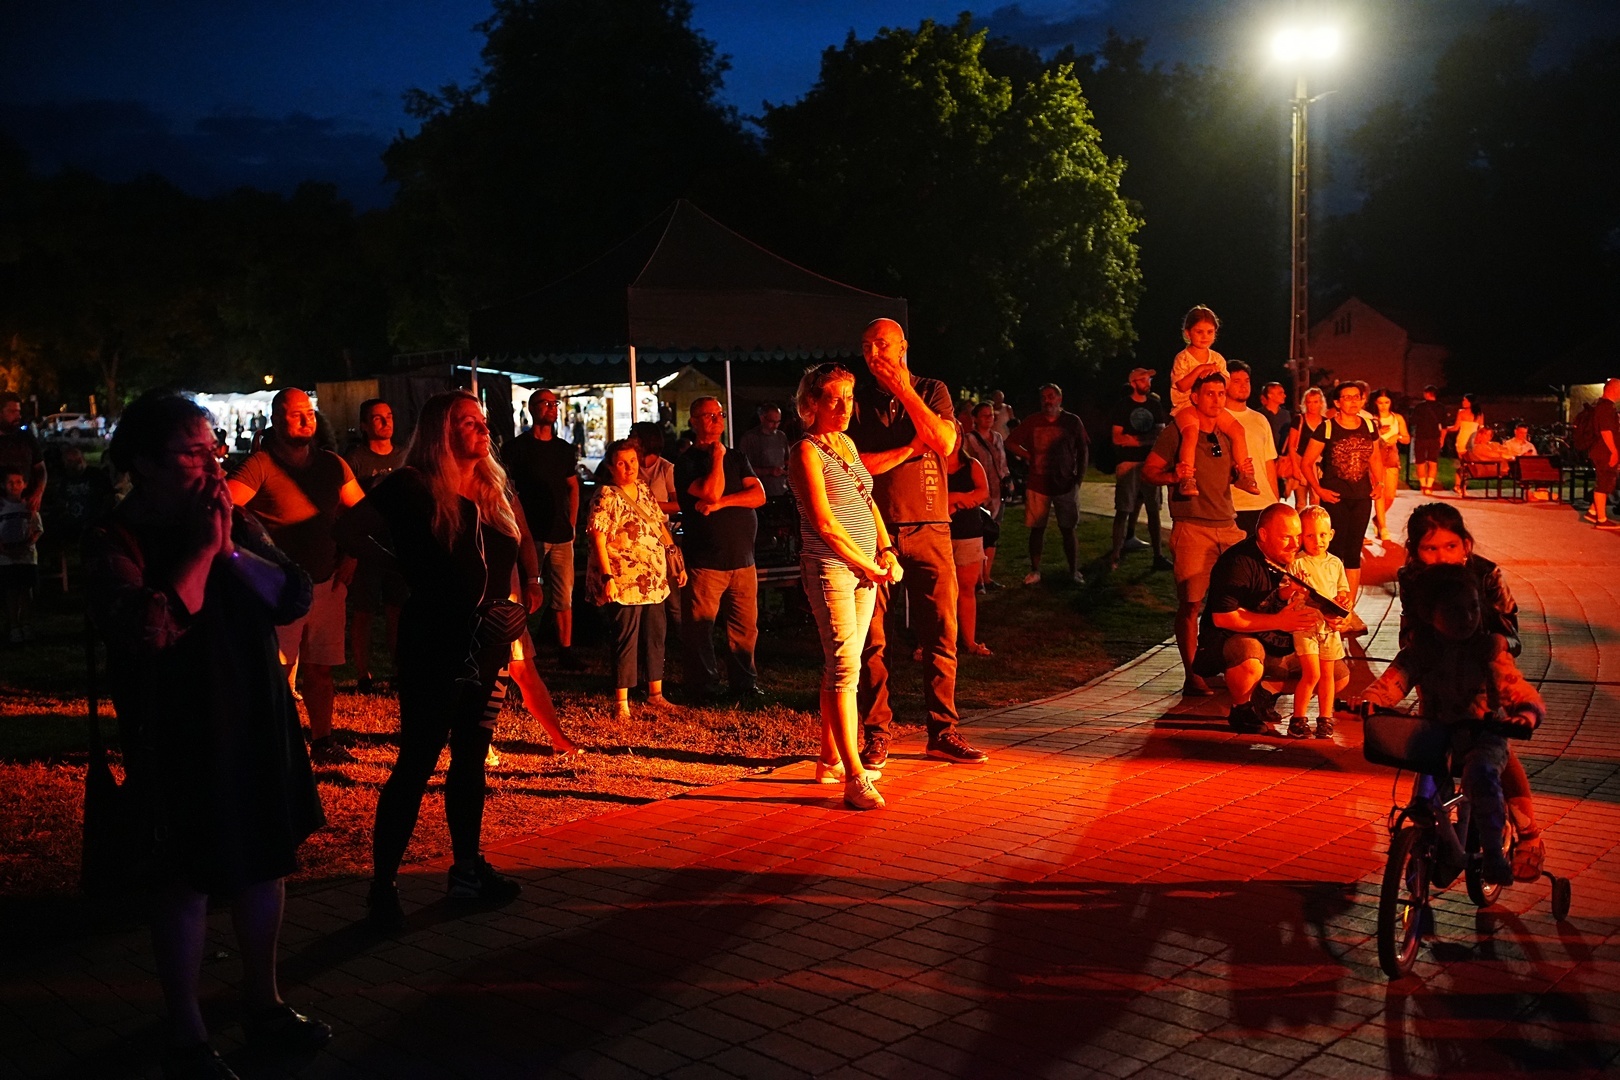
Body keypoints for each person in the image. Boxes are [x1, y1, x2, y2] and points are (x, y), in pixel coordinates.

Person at [86, 392, 328, 1079]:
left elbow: (294, 592)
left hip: (254, 712)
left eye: (212, 448)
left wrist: (231, 552)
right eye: (193, 453)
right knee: (183, 880)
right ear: (145, 462)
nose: (212, 464)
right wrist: (201, 553)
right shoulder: (117, 538)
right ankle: (187, 1035)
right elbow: (150, 629)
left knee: (265, 862)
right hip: (176, 729)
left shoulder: (233, 518)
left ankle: (264, 1002)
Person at [336, 391, 528, 930]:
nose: (482, 429)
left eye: (482, 421)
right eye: (468, 422)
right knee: (418, 760)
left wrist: (518, 605)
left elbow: (507, 557)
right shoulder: (411, 486)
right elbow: (347, 530)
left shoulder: (491, 488)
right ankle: (382, 888)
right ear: (441, 431)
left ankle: (467, 870)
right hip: (434, 643)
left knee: (471, 757)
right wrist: (402, 564)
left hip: (486, 646)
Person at [848, 318, 989, 767]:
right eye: (866, 346)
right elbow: (856, 465)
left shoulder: (931, 390)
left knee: (942, 632)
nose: (874, 354)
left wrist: (903, 389)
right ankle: (877, 733)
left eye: (881, 344)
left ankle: (943, 731)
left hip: (931, 526)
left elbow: (944, 441)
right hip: (875, 530)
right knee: (873, 639)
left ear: (903, 347)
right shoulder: (856, 399)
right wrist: (910, 449)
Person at [1362, 563, 1544, 886]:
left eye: (1473, 607)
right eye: (1454, 610)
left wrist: (1525, 713)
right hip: (1437, 733)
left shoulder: (1488, 650)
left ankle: (1493, 854)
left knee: (1481, 776)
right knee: (1425, 787)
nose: (1467, 617)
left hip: (1483, 734)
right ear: (1430, 615)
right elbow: (1395, 680)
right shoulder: (1423, 650)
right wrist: (1370, 700)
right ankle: (1426, 846)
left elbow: (1515, 687)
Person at [1397, 501, 1545, 881]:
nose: (1441, 556)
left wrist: (1493, 650)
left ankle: (1528, 833)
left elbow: (1510, 627)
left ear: (1465, 543)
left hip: (1484, 672)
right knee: (1432, 748)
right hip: (1437, 671)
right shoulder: (1411, 578)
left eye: (1450, 546)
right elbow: (1410, 626)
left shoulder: (1486, 573)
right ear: (1414, 550)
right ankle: (1432, 838)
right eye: (1430, 548)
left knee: (1493, 745)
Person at [228, 388, 365, 765]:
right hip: (280, 589)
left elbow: (361, 512)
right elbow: (224, 507)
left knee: (320, 669)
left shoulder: (333, 465)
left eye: (310, 412)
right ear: (276, 420)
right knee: (276, 671)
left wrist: (352, 554)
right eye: (295, 414)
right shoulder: (260, 465)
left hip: (326, 582)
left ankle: (322, 741)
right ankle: (272, 747)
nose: (306, 420)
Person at [788, 362, 900, 810]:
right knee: (843, 667)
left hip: (863, 569)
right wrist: (865, 563)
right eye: (833, 399)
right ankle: (855, 776)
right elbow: (825, 524)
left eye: (849, 398)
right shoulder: (805, 452)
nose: (843, 407)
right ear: (811, 404)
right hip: (830, 568)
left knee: (843, 664)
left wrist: (885, 549)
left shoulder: (847, 445)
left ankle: (829, 759)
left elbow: (867, 501)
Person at [1192, 503, 1350, 734]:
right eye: (1286, 537)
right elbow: (1223, 618)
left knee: (1338, 676)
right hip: (1238, 638)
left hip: (1283, 640)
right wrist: (1279, 621)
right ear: (1264, 535)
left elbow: (1328, 596)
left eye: (1298, 536)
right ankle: (1241, 708)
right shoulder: (1238, 563)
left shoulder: (1301, 559)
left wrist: (1338, 617)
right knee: (1249, 657)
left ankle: (1266, 690)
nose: (1295, 544)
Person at [1140, 371, 1248, 697]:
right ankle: (1193, 675)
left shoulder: (1226, 433)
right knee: (1191, 604)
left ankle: (1228, 665)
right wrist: (1174, 477)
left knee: (1237, 602)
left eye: (1220, 393)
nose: (1216, 399)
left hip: (1227, 525)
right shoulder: (1177, 432)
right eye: (1209, 393)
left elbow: (1229, 477)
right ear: (1196, 397)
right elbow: (1149, 471)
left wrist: (1243, 473)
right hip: (1192, 528)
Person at [675, 396, 766, 700]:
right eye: (709, 415)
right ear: (694, 421)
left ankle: (744, 684)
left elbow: (758, 496)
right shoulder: (687, 462)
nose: (717, 420)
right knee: (700, 629)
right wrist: (716, 458)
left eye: (720, 414)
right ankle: (703, 687)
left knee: (744, 628)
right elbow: (710, 491)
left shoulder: (737, 457)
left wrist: (721, 504)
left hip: (743, 559)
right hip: (706, 562)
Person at [587, 440, 685, 717]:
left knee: (655, 635)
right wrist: (607, 576)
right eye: (622, 463)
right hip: (625, 578)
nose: (629, 468)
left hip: (653, 577)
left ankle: (656, 693)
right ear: (610, 467)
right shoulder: (606, 495)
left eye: (633, 461)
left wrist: (675, 560)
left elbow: (659, 525)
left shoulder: (643, 489)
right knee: (626, 638)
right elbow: (598, 537)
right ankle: (622, 701)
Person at [502, 388, 584, 667]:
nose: (552, 407)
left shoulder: (564, 449)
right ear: (532, 408)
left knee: (564, 594)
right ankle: (518, 646)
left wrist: (571, 522)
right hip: (529, 533)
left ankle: (566, 650)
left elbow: (573, 485)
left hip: (560, 532)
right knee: (525, 590)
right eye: (545, 403)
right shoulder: (515, 448)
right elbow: (506, 487)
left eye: (554, 403)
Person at [1299, 381, 1381, 635]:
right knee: (1333, 553)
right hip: (1335, 499)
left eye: (1357, 397)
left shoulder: (1369, 426)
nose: (1353, 402)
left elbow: (1375, 457)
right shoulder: (1327, 428)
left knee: (1354, 552)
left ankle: (1348, 610)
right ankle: (1330, 607)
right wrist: (1319, 490)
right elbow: (1307, 462)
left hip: (1361, 498)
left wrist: (1379, 483)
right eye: (1347, 397)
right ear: (1337, 403)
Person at [344, 399, 409, 694]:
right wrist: (351, 550)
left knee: (397, 609)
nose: (386, 423)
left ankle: (398, 670)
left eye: (389, 416)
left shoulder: (404, 456)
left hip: (397, 543)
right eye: (378, 418)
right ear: (364, 425)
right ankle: (363, 674)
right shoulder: (355, 459)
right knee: (364, 611)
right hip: (366, 546)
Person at [1167, 306, 1259, 499]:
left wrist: (1217, 373)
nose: (1204, 336)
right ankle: (1187, 477)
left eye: (1209, 332)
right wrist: (1199, 370)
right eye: (1199, 332)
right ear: (1188, 333)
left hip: (1211, 406)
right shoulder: (1182, 358)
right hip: (1187, 406)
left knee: (1237, 430)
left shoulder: (1217, 358)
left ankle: (1244, 473)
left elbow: (1226, 383)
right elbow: (1182, 385)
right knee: (1191, 432)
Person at [1005, 383, 1090, 585]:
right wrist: (1028, 455)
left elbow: (1083, 449)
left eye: (1051, 396)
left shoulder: (1072, 421)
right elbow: (1010, 442)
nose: (1047, 401)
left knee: (1068, 528)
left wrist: (1079, 479)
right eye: (1043, 397)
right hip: (1038, 484)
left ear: (1060, 399)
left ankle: (1073, 571)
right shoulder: (1032, 421)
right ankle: (1035, 570)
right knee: (1037, 529)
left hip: (1065, 484)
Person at [1286, 506, 1350, 739]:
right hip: (1306, 626)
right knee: (1311, 673)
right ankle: (1298, 718)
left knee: (1328, 674)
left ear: (1331, 534)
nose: (1318, 541)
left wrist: (1344, 600)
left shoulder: (1335, 563)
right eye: (1311, 535)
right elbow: (1287, 592)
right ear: (1302, 537)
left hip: (1328, 628)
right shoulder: (1297, 563)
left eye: (1322, 535)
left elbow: (1343, 590)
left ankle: (1325, 718)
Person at [1108, 367, 1171, 571]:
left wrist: (1134, 440)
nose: (1147, 383)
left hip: (1151, 463)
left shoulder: (1154, 405)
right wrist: (1145, 440)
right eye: (1143, 380)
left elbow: (1160, 435)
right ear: (1134, 383)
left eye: (1149, 379)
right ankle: (1115, 554)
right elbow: (1117, 437)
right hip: (1128, 464)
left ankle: (1158, 555)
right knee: (1123, 509)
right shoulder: (1123, 406)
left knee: (1154, 510)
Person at [946, 426, 992, 657]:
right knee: (939, 592)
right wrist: (959, 498)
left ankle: (969, 641)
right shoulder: (931, 465)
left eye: (957, 434)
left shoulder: (972, 465)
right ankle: (934, 642)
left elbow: (983, 492)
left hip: (968, 533)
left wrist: (955, 501)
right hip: (939, 534)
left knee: (966, 588)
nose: (954, 439)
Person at [1223, 361, 1280, 539]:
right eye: (1236, 381)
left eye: (1246, 381)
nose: (1243, 385)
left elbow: (1269, 464)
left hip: (1263, 504)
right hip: (1234, 505)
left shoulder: (1260, 419)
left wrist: (1275, 502)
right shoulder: (1218, 418)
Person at [963, 401, 1010, 587]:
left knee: (993, 533)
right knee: (980, 535)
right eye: (985, 415)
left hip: (998, 492)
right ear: (975, 418)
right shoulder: (969, 440)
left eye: (991, 415)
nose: (989, 418)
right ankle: (977, 578)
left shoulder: (997, 437)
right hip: (980, 494)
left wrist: (1008, 480)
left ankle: (987, 576)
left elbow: (1002, 463)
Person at [0, 465, 42, 644]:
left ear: (24, 484)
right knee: (10, 592)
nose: (14, 486)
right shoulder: (1, 506)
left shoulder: (29, 505)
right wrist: (5, 549)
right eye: (10, 482)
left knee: (26, 590)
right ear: (3, 485)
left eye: (18, 482)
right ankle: (14, 626)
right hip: (6, 556)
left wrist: (25, 546)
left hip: (26, 555)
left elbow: (37, 529)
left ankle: (26, 623)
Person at [1369, 388, 1410, 542]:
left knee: (1390, 495)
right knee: (1379, 492)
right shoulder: (1372, 418)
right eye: (1380, 402)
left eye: (1386, 402)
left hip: (1391, 455)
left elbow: (1407, 438)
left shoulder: (1397, 418)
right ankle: (1383, 526)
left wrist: (1397, 437)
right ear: (1375, 403)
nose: (1383, 405)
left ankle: (1377, 519)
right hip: (1376, 455)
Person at [0, 391, 46, 515]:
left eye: (18, 412)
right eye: (12, 412)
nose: (18, 416)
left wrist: (38, 493)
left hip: (26, 506)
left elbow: (40, 468)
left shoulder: (26, 437)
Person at [1283, 386, 1328, 509]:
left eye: (1315, 402)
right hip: (1300, 462)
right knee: (1301, 503)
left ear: (1321, 403)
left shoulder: (1326, 422)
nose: (1312, 405)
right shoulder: (1299, 419)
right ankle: (1300, 522)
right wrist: (1295, 468)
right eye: (1309, 402)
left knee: (1316, 501)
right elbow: (1292, 445)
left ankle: (1313, 522)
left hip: (1318, 467)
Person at [1584, 378, 1620, 531]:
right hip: (1605, 451)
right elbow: (1606, 431)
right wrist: (1614, 451)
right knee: (1604, 483)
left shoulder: (1602, 406)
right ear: (1613, 389)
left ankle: (1593, 512)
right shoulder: (1606, 408)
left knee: (1607, 482)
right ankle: (1601, 520)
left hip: (1601, 451)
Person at [738, 403, 790, 498]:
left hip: (782, 491)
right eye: (772, 421)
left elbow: (787, 460)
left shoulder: (781, 436)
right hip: (760, 493)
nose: (775, 426)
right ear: (762, 418)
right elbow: (743, 469)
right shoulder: (749, 438)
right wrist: (769, 471)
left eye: (778, 422)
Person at [630, 421, 680, 516]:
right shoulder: (630, 466)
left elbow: (678, 505)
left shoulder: (666, 468)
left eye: (633, 436)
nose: (629, 440)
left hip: (658, 523)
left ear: (645, 439)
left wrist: (648, 506)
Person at [1407, 385, 1446, 497]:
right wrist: (1442, 439)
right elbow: (1444, 426)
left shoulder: (1419, 407)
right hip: (1435, 438)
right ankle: (1429, 485)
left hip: (1420, 437)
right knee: (1433, 462)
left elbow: (1412, 421)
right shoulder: (1441, 407)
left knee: (1420, 462)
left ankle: (1423, 485)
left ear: (1427, 394)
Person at [1257, 381, 1294, 489]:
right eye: (1280, 393)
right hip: (1265, 459)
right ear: (1270, 395)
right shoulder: (1259, 415)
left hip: (1281, 460)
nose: (1284, 395)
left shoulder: (1286, 414)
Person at [1445, 393, 1483, 495]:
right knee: (1463, 464)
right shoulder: (1461, 412)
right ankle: (1461, 487)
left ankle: (1459, 485)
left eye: (1465, 400)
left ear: (1471, 402)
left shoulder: (1479, 414)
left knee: (1469, 465)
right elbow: (1456, 427)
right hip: (1463, 441)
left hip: (1473, 441)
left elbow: (1481, 429)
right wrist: (1445, 429)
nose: (1463, 402)